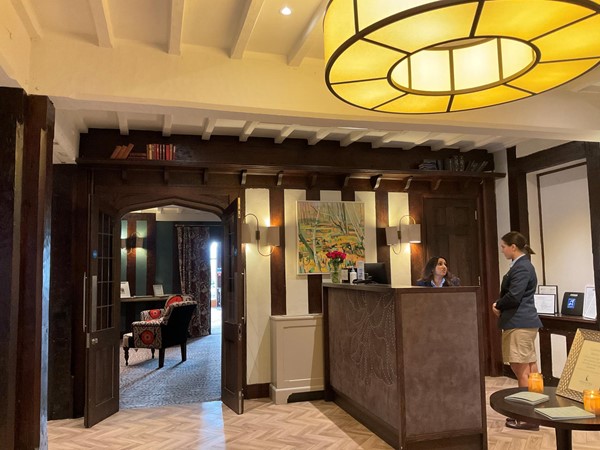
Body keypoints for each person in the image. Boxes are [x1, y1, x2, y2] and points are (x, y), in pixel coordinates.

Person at [492, 231, 543, 431]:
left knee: (521, 368)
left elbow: (514, 296)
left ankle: (527, 417)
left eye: (503, 247)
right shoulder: (523, 265)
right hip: (524, 322)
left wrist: (497, 304)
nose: (502, 250)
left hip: (519, 322)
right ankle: (535, 412)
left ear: (513, 247)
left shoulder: (522, 267)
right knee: (530, 368)